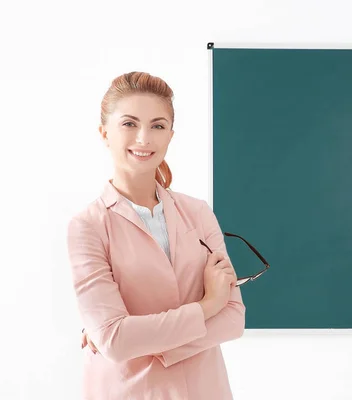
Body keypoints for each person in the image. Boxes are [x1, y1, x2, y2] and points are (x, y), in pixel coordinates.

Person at [66, 71, 245, 400]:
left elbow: (233, 318)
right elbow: (115, 339)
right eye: (129, 124)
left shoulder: (198, 212)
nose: (144, 138)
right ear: (105, 133)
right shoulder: (88, 226)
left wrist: (145, 342)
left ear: (170, 136)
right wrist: (207, 306)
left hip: (204, 389)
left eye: (158, 126)